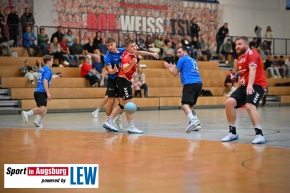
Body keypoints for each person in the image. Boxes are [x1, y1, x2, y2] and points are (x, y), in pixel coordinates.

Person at [102, 38, 158, 133]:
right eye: (132, 46)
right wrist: (131, 64)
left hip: (123, 80)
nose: (134, 47)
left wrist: (151, 54)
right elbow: (125, 69)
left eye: (134, 45)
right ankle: (130, 126)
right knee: (128, 103)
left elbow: (138, 52)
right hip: (122, 80)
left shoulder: (128, 52)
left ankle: (109, 121)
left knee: (122, 104)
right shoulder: (127, 57)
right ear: (127, 48)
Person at [221, 36, 267, 144]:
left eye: (239, 44)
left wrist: (250, 85)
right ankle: (233, 133)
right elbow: (241, 74)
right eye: (236, 44)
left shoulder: (252, 54)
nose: (237, 46)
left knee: (249, 106)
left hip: (257, 85)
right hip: (244, 86)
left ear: (246, 45)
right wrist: (239, 85)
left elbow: (253, 69)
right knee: (229, 103)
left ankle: (260, 135)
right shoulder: (240, 58)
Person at [164, 46, 202, 133]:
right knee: (190, 106)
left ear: (185, 52)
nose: (178, 54)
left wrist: (169, 68)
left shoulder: (182, 59)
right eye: (177, 53)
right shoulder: (192, 60)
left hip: (190, 83)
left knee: (185, 105)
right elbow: (183, 71)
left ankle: (193, 121)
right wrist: (174, 67)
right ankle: (197, 124)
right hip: (198, 83)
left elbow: (174, 73)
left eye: (180, 52)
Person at [22, 55, 59, 127]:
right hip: (42, 91)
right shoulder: (48, 70)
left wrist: (54, 76)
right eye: (51, 61)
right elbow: (45, 81)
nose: (52, 62)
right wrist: (48, 93)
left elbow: (45, 78)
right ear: (48, 62)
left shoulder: (43, 69)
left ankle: (36, 121)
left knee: (44, 110)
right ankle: (28, 113)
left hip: (38, 91)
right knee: (42, 109)